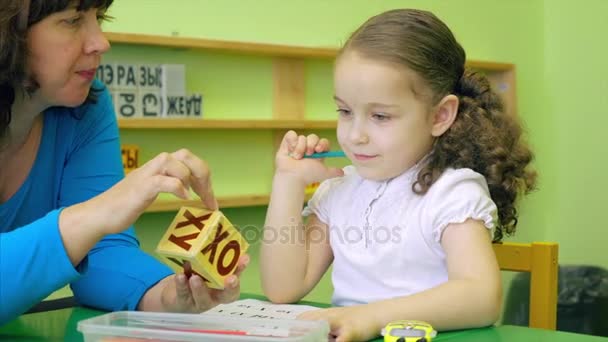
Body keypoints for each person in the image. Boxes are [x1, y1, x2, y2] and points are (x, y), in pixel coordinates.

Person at [260, 8, 536, 341]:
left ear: (440, 116)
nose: (355, 135)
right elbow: (282, 288)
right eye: (345, 111)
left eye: (380, 116)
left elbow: (482, 298)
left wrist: (370, 318)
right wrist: (287, 183)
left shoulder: (453, 192)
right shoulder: (339, 189)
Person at [0, 0, 248, 325]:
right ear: (9, 32)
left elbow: (102, 254)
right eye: (73, 20)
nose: (101, 41)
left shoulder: (87, 107)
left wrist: (171, 297)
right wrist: (96, 213)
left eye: (98, 17)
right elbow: (92, 226)